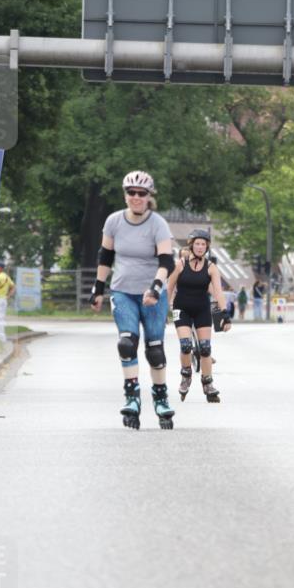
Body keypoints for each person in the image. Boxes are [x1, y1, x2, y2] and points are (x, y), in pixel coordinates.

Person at [89, 170, 176, 431]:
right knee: (127, 343)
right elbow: (105, 257)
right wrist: (98, 290)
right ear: (125, 195)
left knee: (155, 348)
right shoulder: (114, 221)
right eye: (131, 193)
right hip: (123, 291)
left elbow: (167, 261)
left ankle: (160, 398)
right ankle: (132, 397)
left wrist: (155, 288)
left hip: (152, 294)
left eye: (142, 194)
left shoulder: (158, 224)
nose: (136, 198)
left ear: (150, 197)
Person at [166, 228, 231, 403]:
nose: (200, 247)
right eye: (197, 244)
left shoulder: (211, 268)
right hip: (182, 308)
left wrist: (225, 314)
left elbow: (218, 293)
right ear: (191, 245)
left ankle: (207, 383)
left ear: (207, 247)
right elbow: (169, 287)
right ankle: (186, 374)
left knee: (205, 348)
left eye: (203, 244)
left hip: (201, 309)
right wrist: (164, 310)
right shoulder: (180, 264)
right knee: (186, 345)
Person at [0, 261, 15, 343]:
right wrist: (8, 296)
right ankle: (2, 337)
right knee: (1, 318)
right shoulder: (7, 277)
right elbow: (13, 287)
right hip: (4, 299)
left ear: (0, 268)